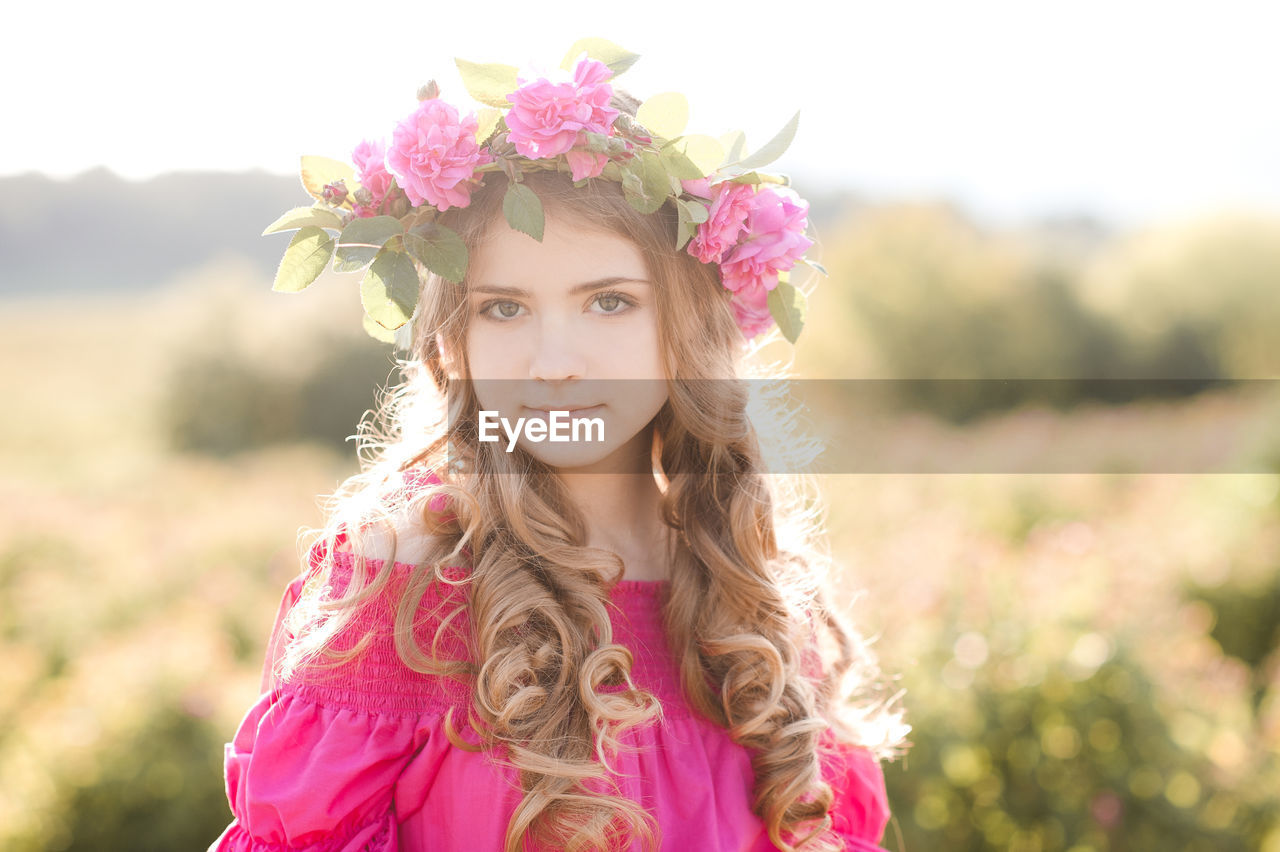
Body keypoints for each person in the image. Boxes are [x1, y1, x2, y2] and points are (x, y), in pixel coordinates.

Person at [211, 39, 907, 852]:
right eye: (503, 308)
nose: (554, 364)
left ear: (689, 328)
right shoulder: (404, 588)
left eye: (609, 302)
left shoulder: (747, 593)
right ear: (451, 342)